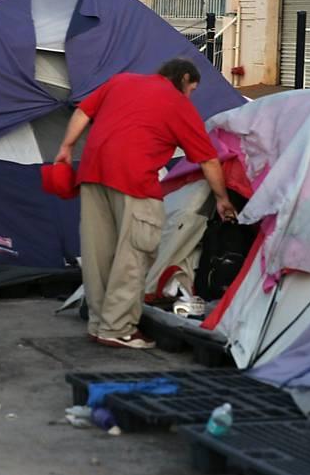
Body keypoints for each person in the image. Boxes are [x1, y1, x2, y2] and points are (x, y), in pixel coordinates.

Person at [56, 58, 237, 349]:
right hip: (135, 182)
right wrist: (221, 198)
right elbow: (208, 160)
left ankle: (99, 323)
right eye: (191, 89)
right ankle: (118, 329)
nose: (190, 95)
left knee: (97, 254)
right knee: (133, 255)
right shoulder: (178, 105)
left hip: (91, 175)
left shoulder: (120, 81)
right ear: (185, 79)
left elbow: (83, 111)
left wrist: (66, 148)